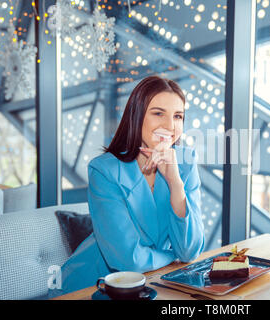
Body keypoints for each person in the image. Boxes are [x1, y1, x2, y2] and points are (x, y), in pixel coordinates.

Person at [49, 76, 205, 297]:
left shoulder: (185, 163)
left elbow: (190, 250)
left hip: (155, 281)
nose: (170, 126)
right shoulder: (104, 170)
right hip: (95, 285)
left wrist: (176, 183)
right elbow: (128, 261)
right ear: (137, 115)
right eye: (158, 113)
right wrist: (172, 256)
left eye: (178, 116)